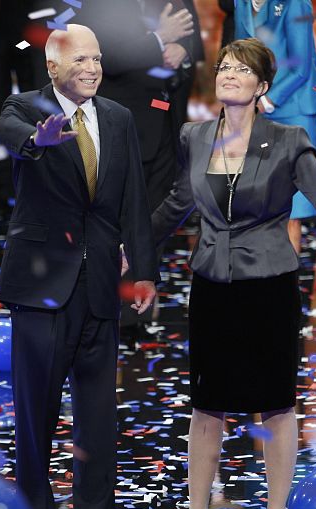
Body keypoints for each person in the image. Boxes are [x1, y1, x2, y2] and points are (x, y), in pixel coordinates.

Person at [150, 38, 316, 509]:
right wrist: (131, 247)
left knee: (275, 403)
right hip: (211, 286)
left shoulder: (288, 141)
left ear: (261, 86)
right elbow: (175, 205)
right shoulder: (195, 136)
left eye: (240, 70)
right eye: (223, 67)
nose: (227, 73)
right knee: (207, 407)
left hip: (268, 287)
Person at [0, 24, 158, 509]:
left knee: (97, 415)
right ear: (53, 67)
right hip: (41, 288)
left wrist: (146, 271)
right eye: (80, 60)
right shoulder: (24, 107)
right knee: (35, 415)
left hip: (100, 288)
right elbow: (9, 133)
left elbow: (133, 197)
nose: (91, 68)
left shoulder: (118, 117)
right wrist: (36, 141)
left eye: (97, 58)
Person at [72, 0, 195, 327]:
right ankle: (111, 309)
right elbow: (104, 59)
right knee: (116, 218)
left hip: (167, 123)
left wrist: (184, 54)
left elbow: (192, 41)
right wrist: (158, 39)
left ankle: (138, 302)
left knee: (155, 217)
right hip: (121, 126)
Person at [235, 0, 316, 252]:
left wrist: (266, 99)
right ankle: (262, 281)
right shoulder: (241, 3)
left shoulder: (296, 3)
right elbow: (239, 56)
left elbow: (301, 65)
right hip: (256, 109)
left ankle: (287, 285)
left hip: (294, 110)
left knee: (291, 211)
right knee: (259, 204)